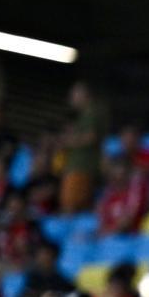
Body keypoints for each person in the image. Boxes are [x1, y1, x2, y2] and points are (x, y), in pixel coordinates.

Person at [59, 81, 103, 213]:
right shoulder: (82, 115)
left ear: (84, 94)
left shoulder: (91, 112)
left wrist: (69, 141)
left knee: (71, 205)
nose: (71, 98)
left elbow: (91, 137)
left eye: (74, 94)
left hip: (82, 167)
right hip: (76, 167)